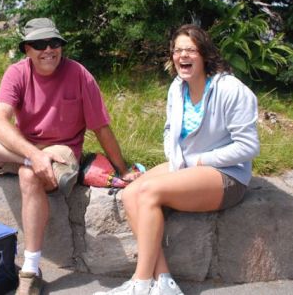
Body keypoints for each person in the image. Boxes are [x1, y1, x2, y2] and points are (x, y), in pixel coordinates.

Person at [0, 17, 139, 295]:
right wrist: (32, 154)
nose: (48, 49)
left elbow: (101, 128)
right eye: (39, 44)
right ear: (27, 50)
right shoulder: (17, 73)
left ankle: (30, 270)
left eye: (54, 42)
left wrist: (123, 168)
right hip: (23, 148)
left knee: (28, 174)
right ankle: (29, 162)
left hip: (60, 150)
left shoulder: (80, 74)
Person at [94, 24, 260, 295]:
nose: (183, 55)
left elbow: (249, 147)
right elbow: (171, 130)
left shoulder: (231, 90)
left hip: (227, 175)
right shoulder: (177, 88)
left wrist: (198, 161)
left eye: (191, 50)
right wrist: (176, 159)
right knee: (130, 193)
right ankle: (164, 282)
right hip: (188, 166)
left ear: (204, 54)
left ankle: (140, 283)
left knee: (148, 191)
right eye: (177, 50)